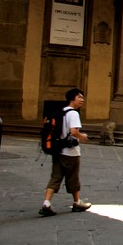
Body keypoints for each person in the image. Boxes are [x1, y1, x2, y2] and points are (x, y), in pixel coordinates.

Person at [39, 88, 91, 216]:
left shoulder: (61, 111)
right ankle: (77, 202)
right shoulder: (73, 114)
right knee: (73, 177)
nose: (82, 100)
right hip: (70, 151)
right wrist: (82, 136)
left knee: (55, 177)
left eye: (83, 97)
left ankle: (46, 203)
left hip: (58, 149)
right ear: (72, 99)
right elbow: (73, 131)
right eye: (79, 97)